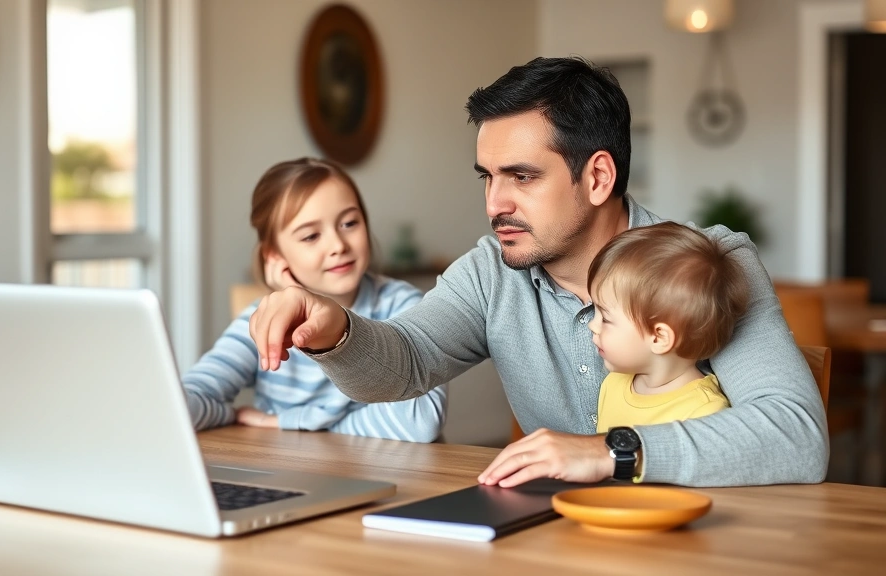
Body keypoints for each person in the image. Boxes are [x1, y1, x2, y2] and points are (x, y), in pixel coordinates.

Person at [248, 57, 828, 488]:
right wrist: (336, 331)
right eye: (487, 177)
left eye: (521, 177)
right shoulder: (490, 272)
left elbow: (797, 437)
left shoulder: (712, 264)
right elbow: (404, 363)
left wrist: (610, 451)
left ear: (598, 177)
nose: (494, 203)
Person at [182, 157, 447, 443]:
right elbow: (186, 402)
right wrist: (228, 415)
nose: (338, 246)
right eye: (310, 236)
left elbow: (419, 421)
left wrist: (290, 422)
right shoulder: (262, 319)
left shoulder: (402, 305)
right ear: (275, 256)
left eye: (349, 223)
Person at [586, 221, 749, 435]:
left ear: (659, 338)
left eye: (605, 318)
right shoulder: (614, 383)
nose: (592, 325)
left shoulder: (706, 413)